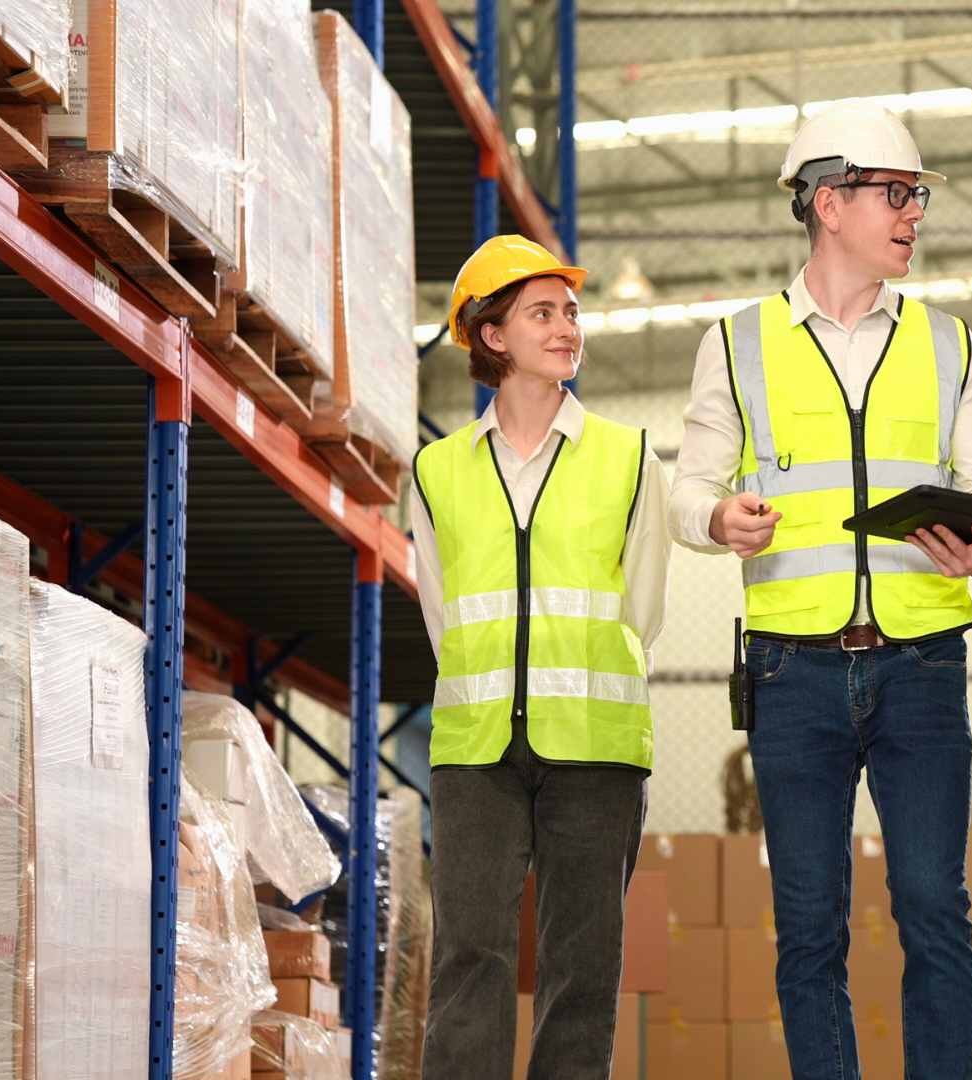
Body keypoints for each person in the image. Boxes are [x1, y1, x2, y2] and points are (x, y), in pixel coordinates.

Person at [670, 99, 972, 1080]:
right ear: (829, 204)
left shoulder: (949, 344)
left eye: (917, 197)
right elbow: (688, 490)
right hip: (793, 672)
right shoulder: (736, 343)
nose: (916, 214)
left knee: (935, 908)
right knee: (809, 925)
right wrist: (718, 520)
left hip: (922, 664)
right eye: (897, 194)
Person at [411, 235, 671, 1079]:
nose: (568, 329)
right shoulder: (437, 471)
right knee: (468, 956)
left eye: (572, 313)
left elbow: (643, 607)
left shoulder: (629, 457)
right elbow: (443, 616)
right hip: (475, 749)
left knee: (582, 968)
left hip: (596, 744)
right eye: (543, 313)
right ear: (493, 335)